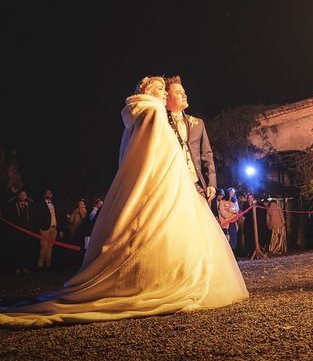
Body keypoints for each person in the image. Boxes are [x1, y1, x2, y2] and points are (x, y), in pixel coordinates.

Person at [0, 76, 248, 328]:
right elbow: (154, 156)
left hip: (184, 182)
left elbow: (201, 155)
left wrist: (207, 182)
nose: (165, 94)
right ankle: (166, 278)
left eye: (167, 90)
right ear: (150, 92)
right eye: (161, 89)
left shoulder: (155, 117)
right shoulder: (153, 113)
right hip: (168, 185)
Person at [165, 75, 217, 201]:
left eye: (184, 92)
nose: (184, 95)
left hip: (196, 186)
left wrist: (211, 183)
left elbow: (207, 155)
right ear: (166, 98)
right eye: (178, 93)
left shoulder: (198, 123)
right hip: (171, 187)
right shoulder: (160, 122)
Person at [219, 187, 240, 251]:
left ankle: (234, 254)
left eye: (233, 192)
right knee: (227, 238)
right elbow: (223, 214)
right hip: (226, 223)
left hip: (233, 223)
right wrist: (232, 214)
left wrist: (229, 209)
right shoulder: (222, 201)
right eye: (231, 192)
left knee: (234, 238)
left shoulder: (235, 201)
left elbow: (237, 210)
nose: (232, 193)